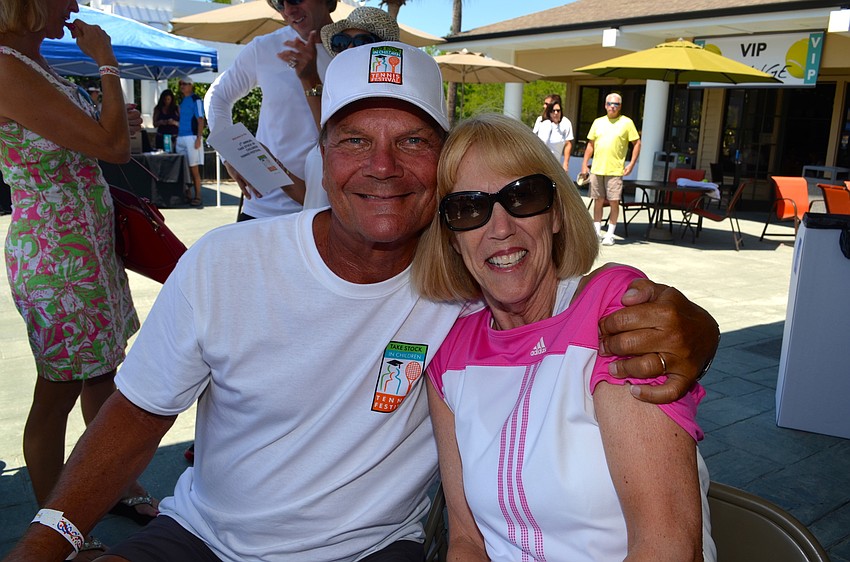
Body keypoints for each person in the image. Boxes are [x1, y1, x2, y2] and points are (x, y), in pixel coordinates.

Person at [4, 42, 719, 562]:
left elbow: (588, 305)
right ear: (320, 157)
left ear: (439, 173)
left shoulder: (466, 287)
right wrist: (47, 541)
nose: (382, 166)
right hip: (204, 538)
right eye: (354, 139)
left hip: (371, 551)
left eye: (411, 141)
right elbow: (135, 415)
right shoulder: (226, 264)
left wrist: (698, 328)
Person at [412, 113, 715, 561]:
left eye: (523, 196)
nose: (500, 228)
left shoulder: (613, 311)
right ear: (452, 238)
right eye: (469, 208)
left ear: (555, 214)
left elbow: (667, 546)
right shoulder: (450, 352)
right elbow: (467, 541)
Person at [0, 0, 158, 557]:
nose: (73, 6)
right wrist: (107, 63)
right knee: (57, 392)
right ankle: (59, 531)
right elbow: (112, 148)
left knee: (102, 376)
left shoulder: (34, 60)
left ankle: (109, 486)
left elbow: (98, 138)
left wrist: (113, 109)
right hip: (55, 256)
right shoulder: (5, 65)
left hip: (86, 246)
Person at [205, 0, 335, 221]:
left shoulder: (352, 48)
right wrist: (230, 153)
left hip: (326, 210)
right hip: (261, 208)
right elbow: (217, 95)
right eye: (278, 3)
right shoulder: (265, 48)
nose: (287, 10)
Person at [292, 5, 400, 209]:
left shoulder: (388, 108)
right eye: (341, 43)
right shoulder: (338, 101)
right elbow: (315, 198)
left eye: (362, 42)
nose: (349, 50)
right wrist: (274, 170)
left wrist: (308, 79)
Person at [581, 92, 641, 247]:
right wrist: (584, 164)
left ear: (620, 106)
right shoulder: (598, 122)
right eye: (609, 104)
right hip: (597, 169)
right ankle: (596, 232)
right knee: (598, 201)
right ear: (605, 105)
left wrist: (631, 164)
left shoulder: (626, 123)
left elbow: (637, 143)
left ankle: (610, 234)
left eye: (616, 104)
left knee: (614, 202)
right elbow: (590, 145)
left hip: (615, 170)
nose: (612, 107)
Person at [176, 76, 205, 206]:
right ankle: (188, 194)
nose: (182, 86)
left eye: (185, 84)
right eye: (181, 84)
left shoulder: (196, 99)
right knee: (184, 168)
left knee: (194, 169)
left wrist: (199, 138)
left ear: (191, 85)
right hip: (180, 137)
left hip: (192, 137)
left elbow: (201, 119)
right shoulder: (183, 101)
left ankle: (198, 195)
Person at [532, 99, 573, 174]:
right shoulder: (546, 124)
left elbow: (568, 143)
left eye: (558, 110)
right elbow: (541, 145)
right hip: (544, 165)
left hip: (555, 166)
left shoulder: (564, 124)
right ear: (549, 112)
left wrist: (565, 163)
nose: (556, 113)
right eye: (553, 111)